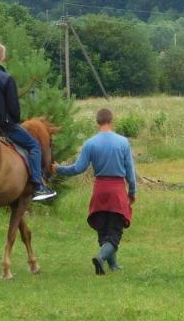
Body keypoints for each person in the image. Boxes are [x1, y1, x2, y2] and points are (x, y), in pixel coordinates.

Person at [54, 108, 137, 274]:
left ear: (97, 122)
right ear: (111, 120)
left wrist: (59, 169)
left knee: (103, 229)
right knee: (114, 232)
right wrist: (132, 192)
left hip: (99, 189)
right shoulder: (122, 142)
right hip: (116, 190)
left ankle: (113, 265)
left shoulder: (90, 143)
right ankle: (100, 258)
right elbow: (130, 172)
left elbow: (78, 168)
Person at [0, 41, 56, 202]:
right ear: (3, 58)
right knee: (34, 146)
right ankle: (38, 186)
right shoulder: (6, 78)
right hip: (3, 127)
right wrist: (14, 121)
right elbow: (14, 109)